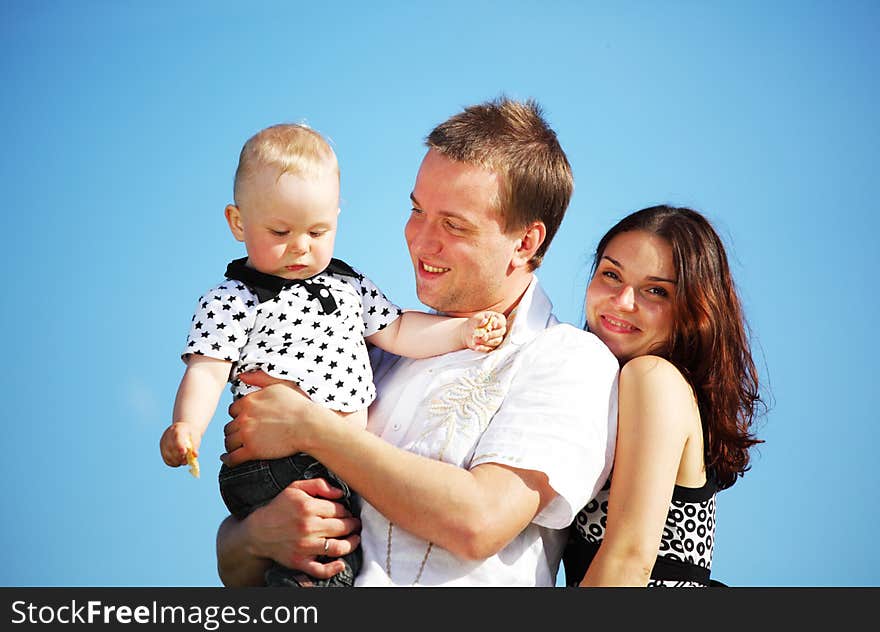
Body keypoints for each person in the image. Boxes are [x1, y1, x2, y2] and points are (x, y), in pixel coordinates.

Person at [215, 97, 620, 587]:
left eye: (453, 224)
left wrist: (312, 428)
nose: (421, 240)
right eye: (416, 209)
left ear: (526, 242)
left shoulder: (568, 360)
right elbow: (232, 564)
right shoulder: (367, 349)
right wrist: (258, 536)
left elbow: (480, 522)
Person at [159, 122, 508, 587]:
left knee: (320, 553)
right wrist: (187, 426)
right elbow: (207, 371)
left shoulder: (346, 286)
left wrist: (463, 332)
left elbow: (401, 329)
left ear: (338, 217)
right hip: (277, 463)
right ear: (238, 222)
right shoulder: (236, 297)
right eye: (280, 231)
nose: (301, 246)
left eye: (318, 230)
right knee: (326, 562)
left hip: (329, 460)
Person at [563, 205, 765, 587]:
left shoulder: (652, 377)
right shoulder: (620, 385)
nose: (623, 300)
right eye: (611, 274)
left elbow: (629, 558)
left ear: (694, 311)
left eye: (656, 291)